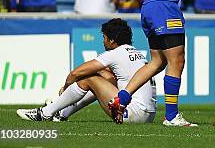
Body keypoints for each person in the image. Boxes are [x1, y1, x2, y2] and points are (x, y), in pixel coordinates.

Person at [17, 18, 156, 124]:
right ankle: (62, 114)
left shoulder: (115, 53)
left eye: (105, 38)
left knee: (88, 78)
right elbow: (109, 78)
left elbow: (75, 73)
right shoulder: (136, 53)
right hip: (148, 116)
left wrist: (64, 90)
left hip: (132, 113)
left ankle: (45, 113)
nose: (103, 42)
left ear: (112, 40)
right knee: (104, 78)